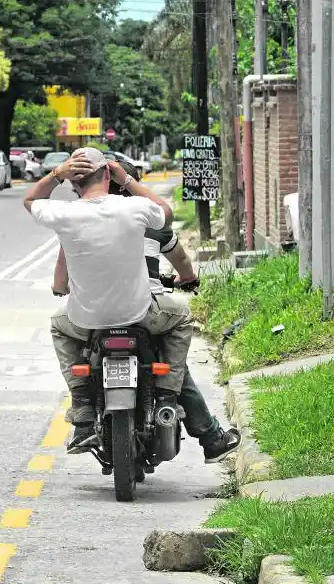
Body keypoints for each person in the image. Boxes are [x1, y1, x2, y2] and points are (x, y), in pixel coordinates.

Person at [51, 162, 241, 463]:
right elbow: (183, 264)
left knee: (60, 326)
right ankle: (202, 429)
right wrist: (186, 281)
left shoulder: (75, 224)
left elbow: (60, 283)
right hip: (146, 311)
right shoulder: (149, 219)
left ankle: (84, 409)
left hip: (94, 317)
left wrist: (64, 289)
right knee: (174, 362)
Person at [24, 147, 194, 453]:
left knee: (58, 326)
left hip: (85, 321)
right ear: (107, 174)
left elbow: (30, 201)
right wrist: (127, 179)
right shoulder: (133, 208)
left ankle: (83, 405)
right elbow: (165, 212)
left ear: (73, 183)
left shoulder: (64, 214)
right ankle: (168, 397)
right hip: (139, 314)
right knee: (180, 316)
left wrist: (55, 174)